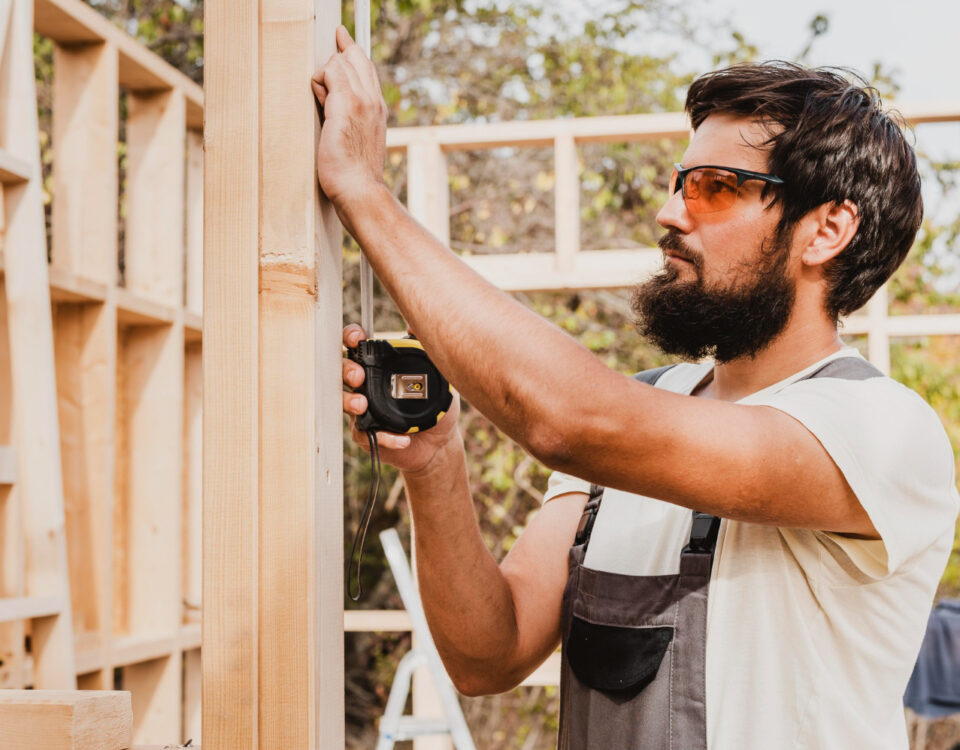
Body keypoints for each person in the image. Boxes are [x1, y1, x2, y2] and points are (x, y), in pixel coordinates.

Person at [313, 25, 960, 749]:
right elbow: (486, 654)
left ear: (826, 231)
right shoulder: (644, 410)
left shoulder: (881, 429)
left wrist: (364, 191)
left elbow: (571, 420)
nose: (670, 212)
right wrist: (436, 465)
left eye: (716, 188)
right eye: (680, 182)